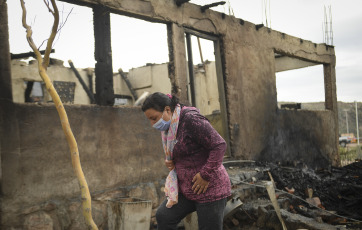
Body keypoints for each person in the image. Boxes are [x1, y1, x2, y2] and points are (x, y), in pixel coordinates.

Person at [142, 92, 231, 230]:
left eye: (154, 118)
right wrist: (172, 161)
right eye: (150, 120)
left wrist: (205, 175)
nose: (152, 124)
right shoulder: (170, 127)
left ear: (167, 109)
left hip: (209, 188)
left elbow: (219, 145)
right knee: (164, 216)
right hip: (187, 189)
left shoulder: (190, 119)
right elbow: (185, 150)